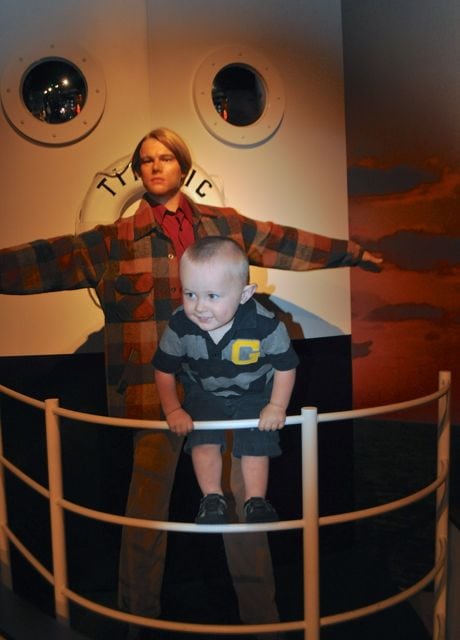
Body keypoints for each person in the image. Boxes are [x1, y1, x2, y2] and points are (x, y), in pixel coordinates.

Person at [0, 127, 382, 639]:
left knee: (241, 507)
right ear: (138, 171)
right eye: (145, 160)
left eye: (165, 158)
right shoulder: (114, 241)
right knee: (146, 514)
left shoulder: (224, 228)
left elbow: (283, 241)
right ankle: (137, 619)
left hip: (227, 395)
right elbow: (46, 259)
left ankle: (263, 622)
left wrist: (351, 252)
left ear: (182, 165)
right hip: (152, 399)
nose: (155, 167)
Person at [154, 236, 298, 526]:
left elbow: (285, 366)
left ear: (244, 295)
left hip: (254, 391)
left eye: (212, 296)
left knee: (255, 437)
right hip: (204, 391)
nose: (199, 307)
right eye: (190, 294)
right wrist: (173, 410)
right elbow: (163, 370)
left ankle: (255, 500)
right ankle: (212, 499)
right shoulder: (180, 324)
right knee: (203, 437)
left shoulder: (265, 325)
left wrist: (276, 406)